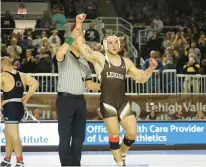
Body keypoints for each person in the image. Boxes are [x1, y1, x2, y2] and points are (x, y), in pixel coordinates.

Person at [71, 14, 158, 166]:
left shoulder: (127, 62)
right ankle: (120, 163)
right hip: (107, 102)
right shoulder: (99, 58)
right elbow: (82, 47)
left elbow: (141, 78)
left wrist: (151, 68)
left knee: (132, 134)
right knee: (114, 134)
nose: (113, 45)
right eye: (110, 42)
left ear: (119, 45)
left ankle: (122, 153)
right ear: (105, 45)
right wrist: (79, 23)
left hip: (122, 102)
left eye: (116, 42)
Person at [55, 25, 101, 166]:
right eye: (78, 40)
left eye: (81, 40)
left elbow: (89, 85)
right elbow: (59, 53)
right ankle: (66, 164)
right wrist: (72, 37)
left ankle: (76, 163)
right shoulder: (64, 55)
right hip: (65, 99)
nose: (80, 42)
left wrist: (108, 86)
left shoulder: (84, 62)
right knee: (65, 135)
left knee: (79, 136)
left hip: (80, 101)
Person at [0, 57, 39, 167]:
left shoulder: (3, 75)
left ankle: (19, 161)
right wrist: (26, 96)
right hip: (18, 106)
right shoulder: (22, 75)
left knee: (14, 135)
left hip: (10, 107)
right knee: (8, 134)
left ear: (2, 66)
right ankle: (7, 159)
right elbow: (35, 83)